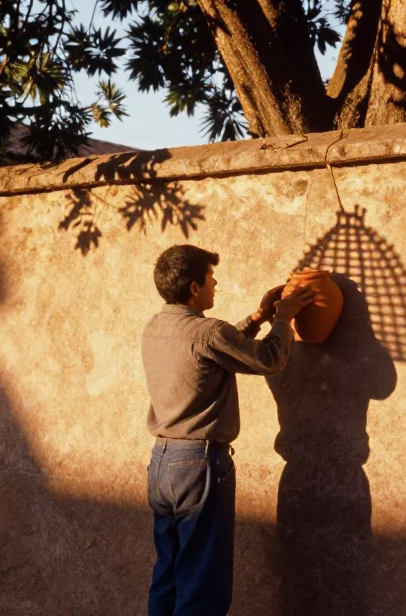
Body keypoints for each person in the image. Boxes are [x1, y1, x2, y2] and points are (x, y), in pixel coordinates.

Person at [141, 244, 316, 616]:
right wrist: (283, 319)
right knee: (203, 586)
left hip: (161, 463)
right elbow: (268, 359)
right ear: (193, 287)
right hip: (197, 467)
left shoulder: (156, 327)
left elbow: (212, 348)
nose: (215, 282)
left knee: (169, 577)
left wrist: (256, 317)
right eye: (209, 276)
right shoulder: (207, 332)